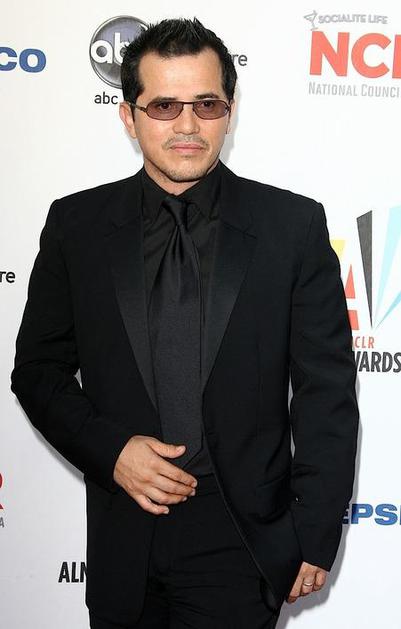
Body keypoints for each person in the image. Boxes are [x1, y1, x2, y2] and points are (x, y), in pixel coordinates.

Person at [10, 16, 359, 629]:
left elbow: (325, 393)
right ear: (129, 116)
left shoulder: (291, 227)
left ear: (230, 110)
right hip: (123, 534)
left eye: (207, 104)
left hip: (241, 542)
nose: (188, 126)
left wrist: (314, 528)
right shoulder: (77, 226)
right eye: (164, 106)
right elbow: (38, 372)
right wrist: (112, 451)